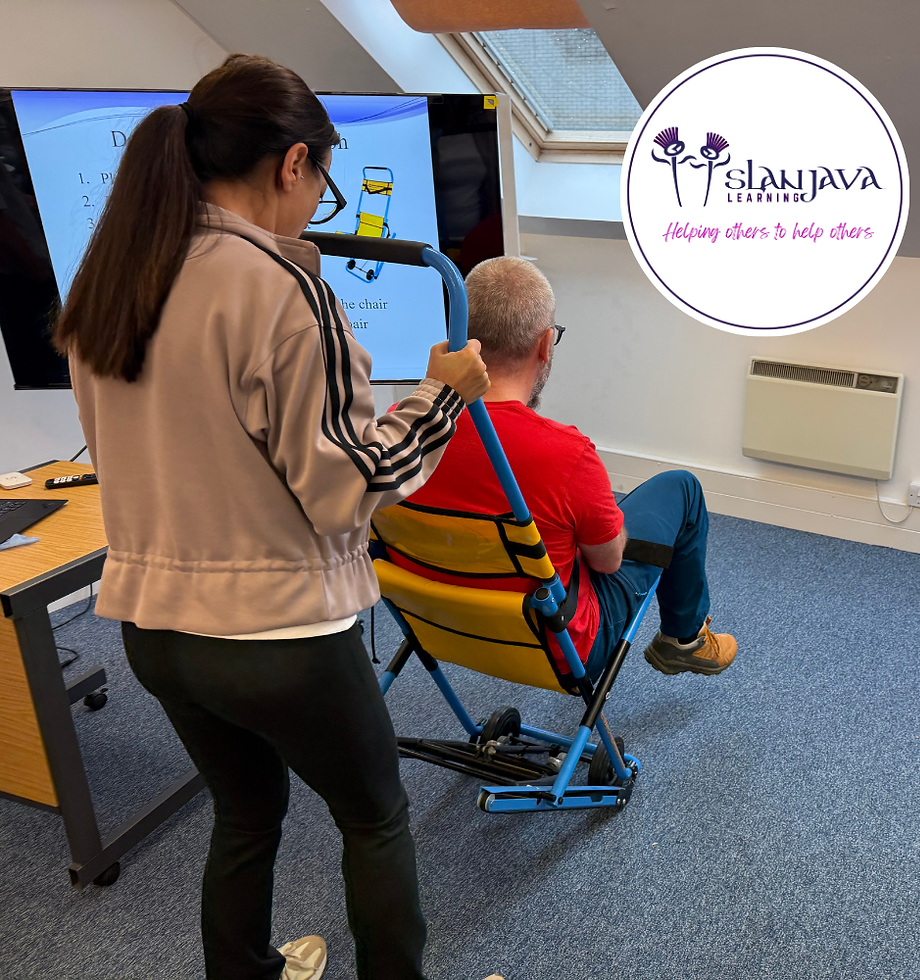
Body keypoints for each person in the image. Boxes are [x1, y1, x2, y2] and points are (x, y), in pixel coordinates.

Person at [54, 54, 493, 980]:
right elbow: (349, 488)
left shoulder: (110, 275)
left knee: (245, 814)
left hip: (152, 625)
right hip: (277, 634)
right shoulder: (283, 289)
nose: (318, 205)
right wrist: (444, 398)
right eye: (325, 183)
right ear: (294, 164)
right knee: (375, 816)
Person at [395, 256, 737, 683]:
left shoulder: (401, 429)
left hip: (433, 625)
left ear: (461, 337)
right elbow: (609, 562)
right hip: (557, 647)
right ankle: (684, 640)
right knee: (679, 489)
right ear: (544, 344)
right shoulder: (566, 454)